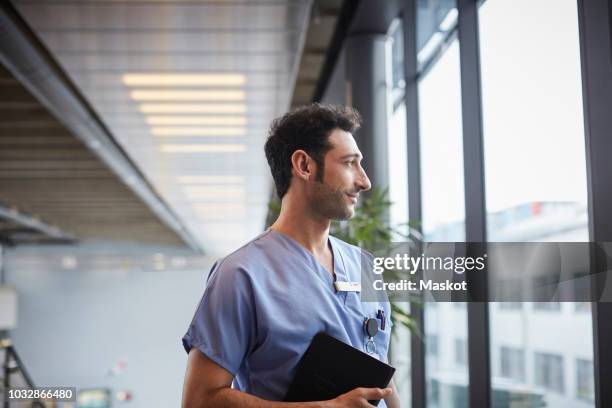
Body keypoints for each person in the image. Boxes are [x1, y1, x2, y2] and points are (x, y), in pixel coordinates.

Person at [181, 104, 400, 408]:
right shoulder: (240, 275)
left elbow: (381, 372)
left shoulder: (364, 266)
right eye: (350, 163)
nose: (364, 181)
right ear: (304, 165)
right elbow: (200, 400)